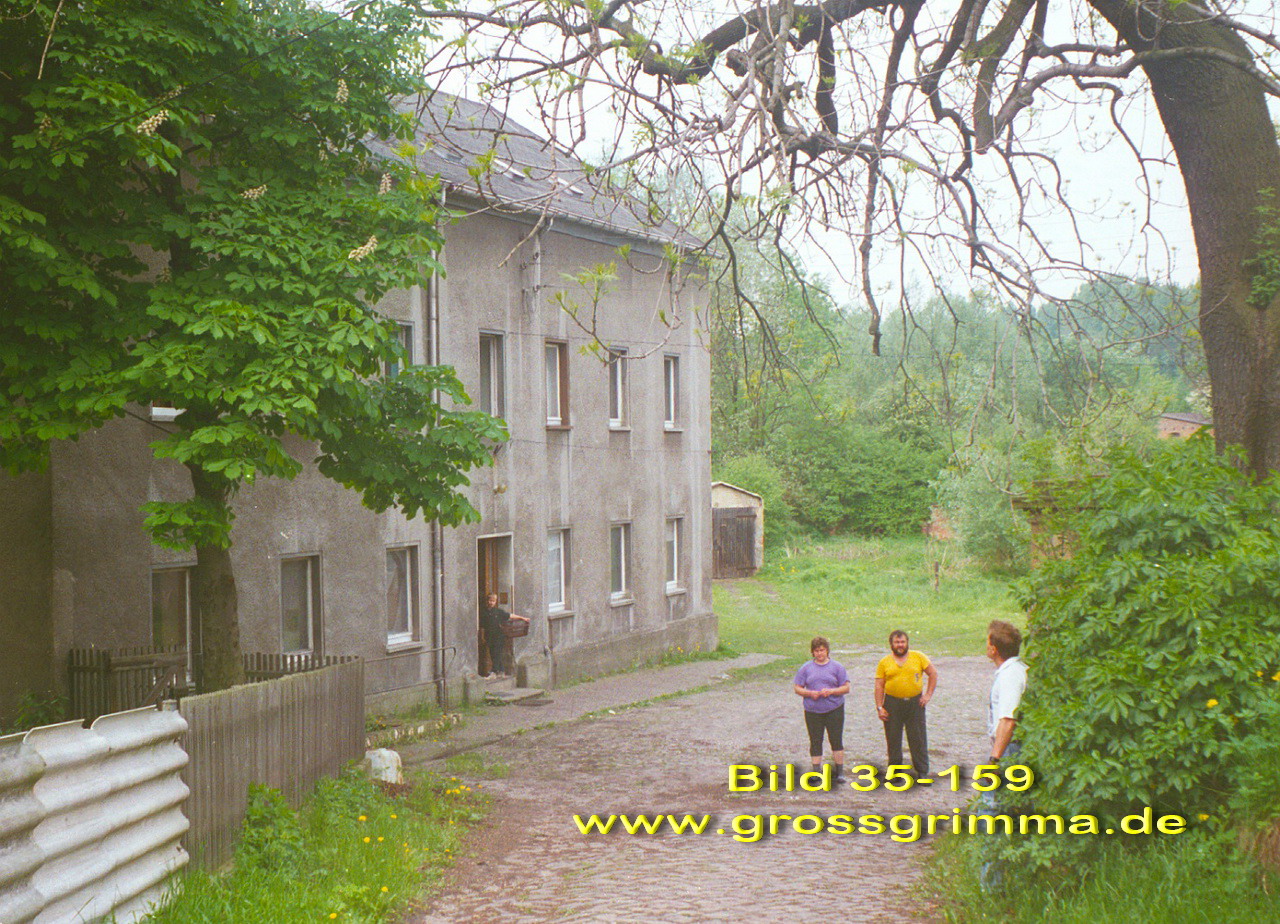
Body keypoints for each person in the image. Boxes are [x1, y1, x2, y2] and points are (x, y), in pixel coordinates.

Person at [874, 629, 937, 776]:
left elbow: (933, 674)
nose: (900, 645)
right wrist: (879, 707)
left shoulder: (919, 657)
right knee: (893, 739)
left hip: (915, 703)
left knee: (918, 738)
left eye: (902, 642)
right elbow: (879, 685)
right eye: (897, 642)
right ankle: (895, 774)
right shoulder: (884, 662)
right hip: (892, 704)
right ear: (891, 644)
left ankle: (922, 772)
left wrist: (928, 695)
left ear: (907, 643)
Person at [793, 636, 850, 782]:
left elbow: (846, 687)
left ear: (827, 651)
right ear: (812, 652)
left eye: (822, 650)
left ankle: (840, 772)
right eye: (817, 651)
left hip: (834, 708)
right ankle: (816, 772)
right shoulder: (806, 668)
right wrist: (810, 693)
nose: (820, 653)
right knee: (815, 740)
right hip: (813, 710)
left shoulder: (837, 667)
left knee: (836, 739)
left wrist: (831, 691)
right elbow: (797, 688)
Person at [986, 619, 1027, 761]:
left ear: (994, 649)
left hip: (1010, 748)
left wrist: (994, 758)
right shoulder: (1014, 670)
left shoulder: (1010, 675)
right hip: (1008, 746)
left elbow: (1008, 720)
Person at [480, 592, 529, 678]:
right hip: (489, 636)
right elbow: (482, 626)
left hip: (498, 636)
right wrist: (483, 636)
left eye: (493, 601)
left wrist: (523, 618)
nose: (491, 602)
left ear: (495, 602)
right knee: (493, 653)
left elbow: (510, 615)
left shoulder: (498, 612)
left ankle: (494, 671)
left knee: (497, 653)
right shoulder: (484, 613)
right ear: (487, 601)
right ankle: (501, 671)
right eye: (490, 600)